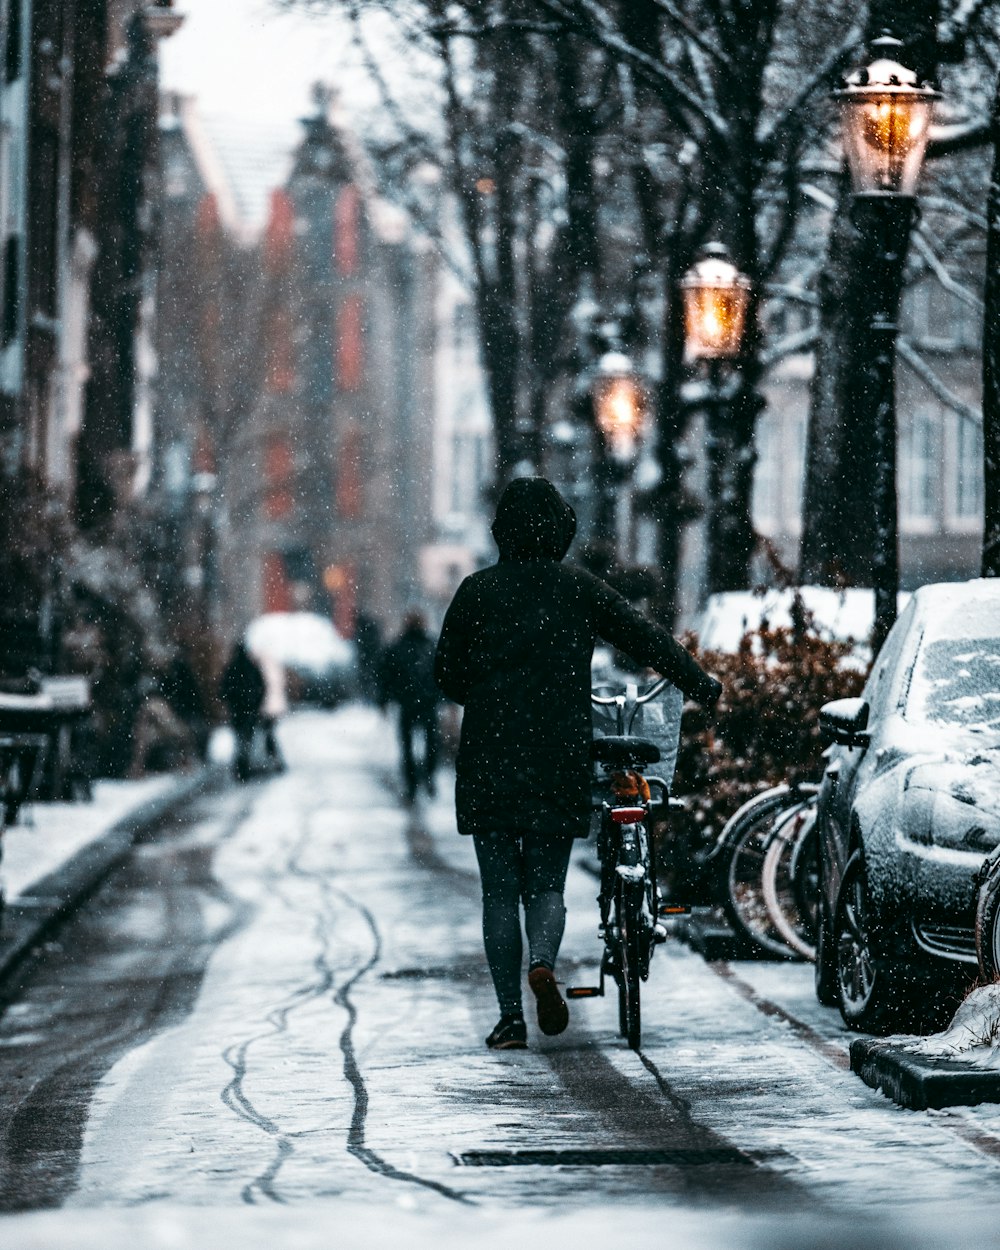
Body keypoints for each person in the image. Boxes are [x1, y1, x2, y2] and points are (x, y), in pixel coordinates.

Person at [434, 477, 722, 1051]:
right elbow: (645, 639)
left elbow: (446, 674)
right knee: (545, 885)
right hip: (556, 752)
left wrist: (490, 698)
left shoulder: (476, 591)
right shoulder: (577, 589)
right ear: (562, 531)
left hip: (490, 755)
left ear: (501, 533)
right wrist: (698, 681)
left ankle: (510, 1017)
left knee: (498, 892)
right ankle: (544, 961)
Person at [380, 610, 441, 802]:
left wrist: (384, 699)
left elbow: (385, 676)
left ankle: (412, 783)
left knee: (407, 745)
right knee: (431, 743)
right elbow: (442, 673)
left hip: (407, 703)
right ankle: (428, 776)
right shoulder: (431, 646)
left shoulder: (398, 646)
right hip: (428, 702)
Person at [219, 641, 266, 781]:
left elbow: (223, 689)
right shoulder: (251, 668)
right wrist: (256, 703)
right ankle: (246, 765)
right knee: (249, 739)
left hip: (236, 711)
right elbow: (261, 687)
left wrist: (231, 702)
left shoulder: (231, 668)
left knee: (240, 740)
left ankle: (241, 767)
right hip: (250, 711)